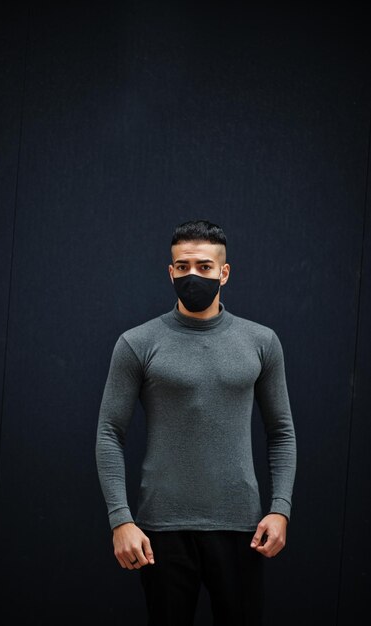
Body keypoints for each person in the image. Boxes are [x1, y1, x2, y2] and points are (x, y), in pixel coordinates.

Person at [95, 219, 297, 626]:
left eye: (204, 267)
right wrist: (121, 520)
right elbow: (109, 433)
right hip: (160, 532)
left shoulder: (261, 342)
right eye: (183, 266)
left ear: (224, 272)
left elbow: (282, 432)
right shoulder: (138, 343)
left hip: (243, 528)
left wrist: (281, 509)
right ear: (170, 272)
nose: (193, 275)